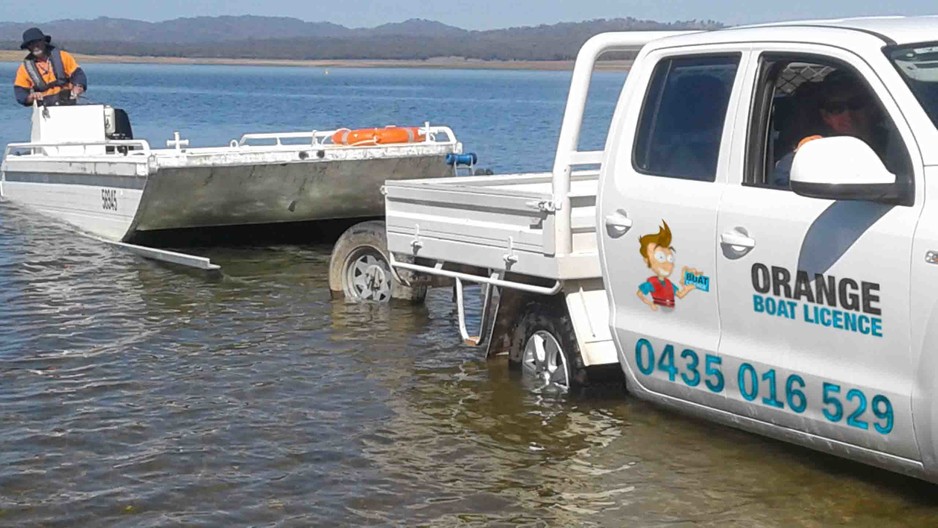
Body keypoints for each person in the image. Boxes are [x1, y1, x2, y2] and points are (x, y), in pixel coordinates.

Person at [773, 70, 887, 188]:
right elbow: (784, 182)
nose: (848, 115)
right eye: (836, 108)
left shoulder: (896, 142)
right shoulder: (812, 151)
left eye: (856, 104)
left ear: (871, 107)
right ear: (825, 116)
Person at [13, 27, 87, 107]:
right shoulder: (24, 68)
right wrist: (30, 97)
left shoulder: (63, 57)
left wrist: (79, 86)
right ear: (28, 47)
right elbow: (20, 91)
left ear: (44, 41)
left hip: (69, 103)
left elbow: (78, 74)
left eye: (38, 41)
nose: (35, 46)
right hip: (44, 108)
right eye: (31, 43)